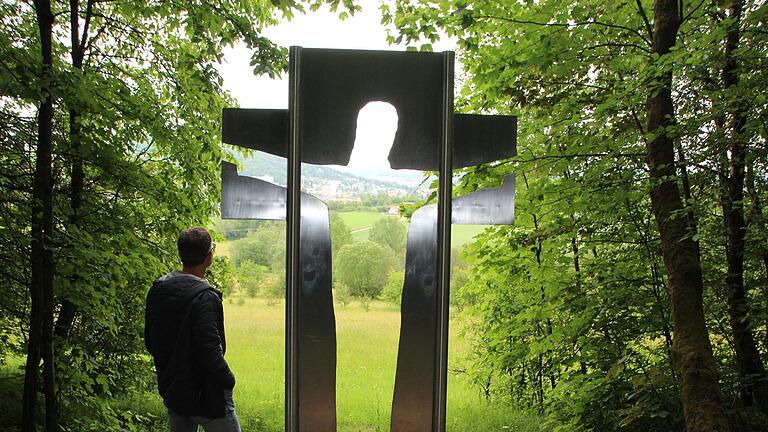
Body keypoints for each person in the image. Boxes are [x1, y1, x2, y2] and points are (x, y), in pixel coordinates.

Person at [145, 227, 241, 432]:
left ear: (181, 254)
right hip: (206, 392)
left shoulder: (159, 289)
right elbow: (209, 351)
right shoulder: (205, 297)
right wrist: (228, 380)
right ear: (209, 256)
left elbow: (152, 342)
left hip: (174, 388)